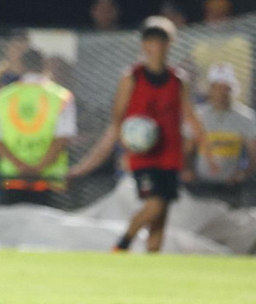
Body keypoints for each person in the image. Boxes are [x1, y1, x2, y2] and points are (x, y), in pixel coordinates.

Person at [70, 17, 207, 253]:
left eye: (162, 41)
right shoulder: (132, 77)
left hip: (170, 154)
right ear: (143, 44)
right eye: (151, 40)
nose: (157, 46)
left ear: (170, 43)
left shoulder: (178, 80)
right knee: (155, 204)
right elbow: (117, 121)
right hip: (143, 154)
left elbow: (190, 116)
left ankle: (152, 257)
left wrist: (208, 151)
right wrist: (94, 159)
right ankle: (122, 245)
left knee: (162, 213)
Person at [0, 49, 76, 205]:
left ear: (20, 67)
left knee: (12, 219)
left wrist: (20, 166)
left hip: (12, 178)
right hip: (48, 179)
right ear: (45, 67)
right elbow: (62, 138)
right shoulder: (61, 96)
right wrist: (38, 168)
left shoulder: (2, 96)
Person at [189, 64, 256, 205]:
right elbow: (187, 148)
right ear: (210, 89)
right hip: (200, 186)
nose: (221, 93)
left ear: (232, 89)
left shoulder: (247, 117)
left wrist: (243, 173)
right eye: (217, 87)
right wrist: (188, 170)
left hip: (231, 188)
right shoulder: (197, 116)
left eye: (225, 88)